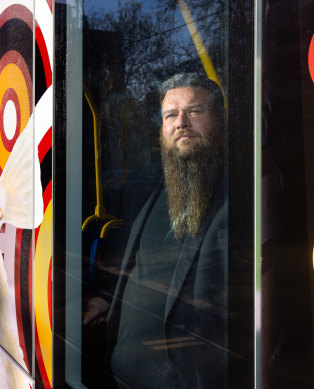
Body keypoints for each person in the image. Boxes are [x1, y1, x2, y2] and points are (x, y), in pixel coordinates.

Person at [84, 73, 228, 388]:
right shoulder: (156, 199)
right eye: (171, 115)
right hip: (119, 375)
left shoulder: (237, 204)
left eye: (195, 111)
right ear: (161, 131)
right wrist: (107, 299)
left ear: (219, 121)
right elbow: (140, 266)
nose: (181, 123)